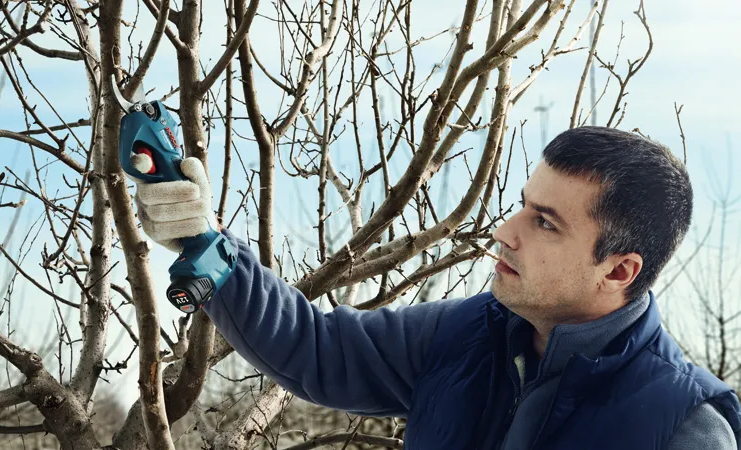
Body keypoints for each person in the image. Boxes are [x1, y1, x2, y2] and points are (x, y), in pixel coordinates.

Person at [133, 126, 741, 449]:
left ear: (618, 271)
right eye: (523, 205)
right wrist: (208, 246)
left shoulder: (684, 428)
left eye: (545, 223)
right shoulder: (463, 335)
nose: (505, 231)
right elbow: (318, 349)